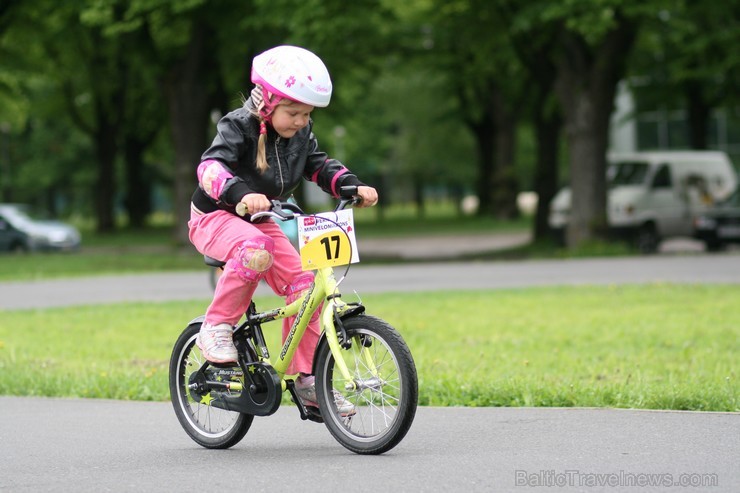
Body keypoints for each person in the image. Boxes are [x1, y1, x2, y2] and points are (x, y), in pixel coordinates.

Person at [188, 45, 378, 414]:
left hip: (259, 221)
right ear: (267, 103)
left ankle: (305, 379)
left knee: (308, 286)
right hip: (214, 217)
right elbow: (209, 169)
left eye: (307, 114)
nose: (302, 121)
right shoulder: (237, 126)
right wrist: (241, 193)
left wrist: (350, 185)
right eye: (293, 112)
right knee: (255, 250)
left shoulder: (300, 135)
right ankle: (216, 327)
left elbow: (319, 166)